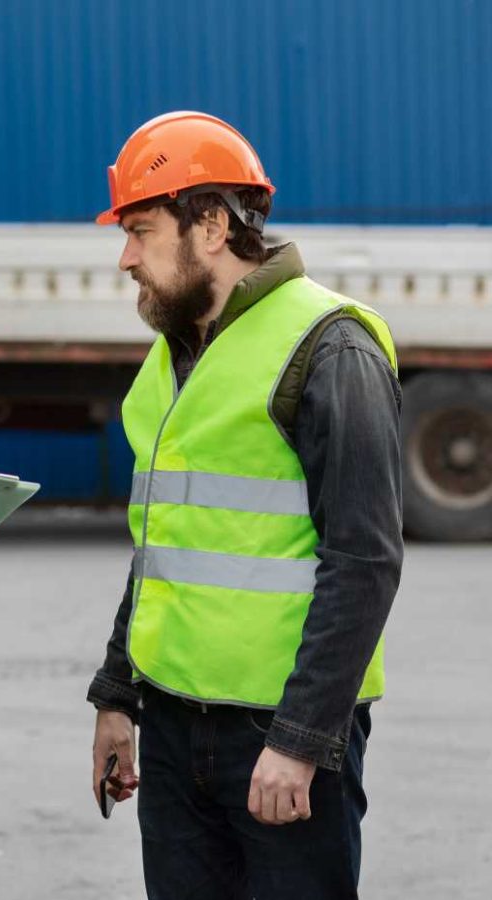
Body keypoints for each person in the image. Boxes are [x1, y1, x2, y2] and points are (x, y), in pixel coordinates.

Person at [86, 112, 402, 898]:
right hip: (170, 729)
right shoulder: (172, 359)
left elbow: (364, 562)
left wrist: (299, 741)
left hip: (280, 736)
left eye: (142, 231)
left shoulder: (330, 347)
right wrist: (117, 696)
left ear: (214, 226)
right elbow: (162, 545)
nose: (125, 258)